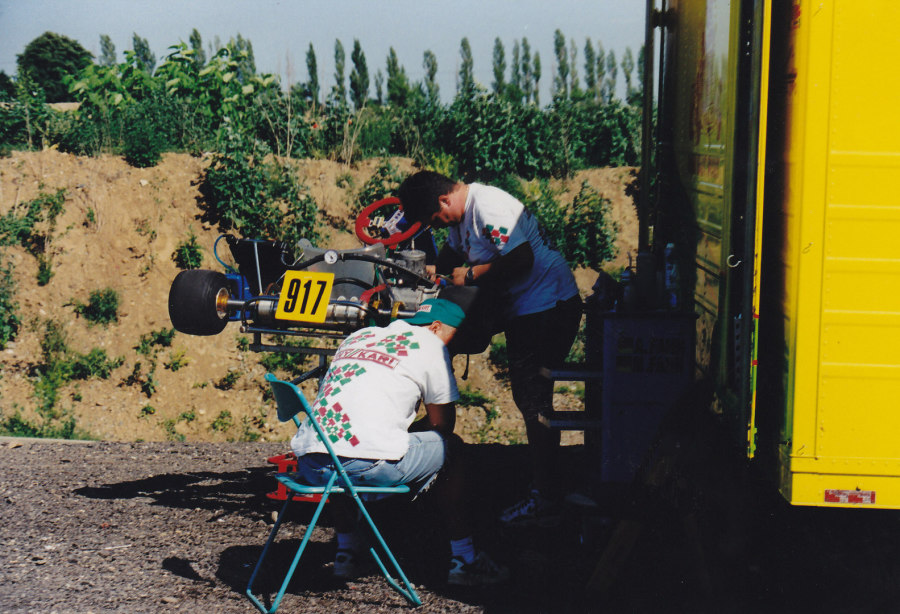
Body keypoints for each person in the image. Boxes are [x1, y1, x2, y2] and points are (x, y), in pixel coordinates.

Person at [398, 171, 582, 527]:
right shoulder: (460, 217)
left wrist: (469, 276)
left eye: (433, 219)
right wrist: (423, 272)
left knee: (533, 399)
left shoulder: (487, 206)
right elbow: (452, 255)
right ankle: (546, 488)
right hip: (528, 308)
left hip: (548, 306)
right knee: (529, 397)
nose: (435, 226)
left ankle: (546, 497)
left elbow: (521, 258)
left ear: (443, 201)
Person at [291, 298, 509, 586]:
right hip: (361, 466)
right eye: (453, 342)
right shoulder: (430, 345)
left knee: (343, 444)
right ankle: (465, 559)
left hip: (311, 462)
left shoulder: (360, 336)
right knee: (452, 448)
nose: (452, 351)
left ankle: (347, 552)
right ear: (435, 327)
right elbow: (441, 425)